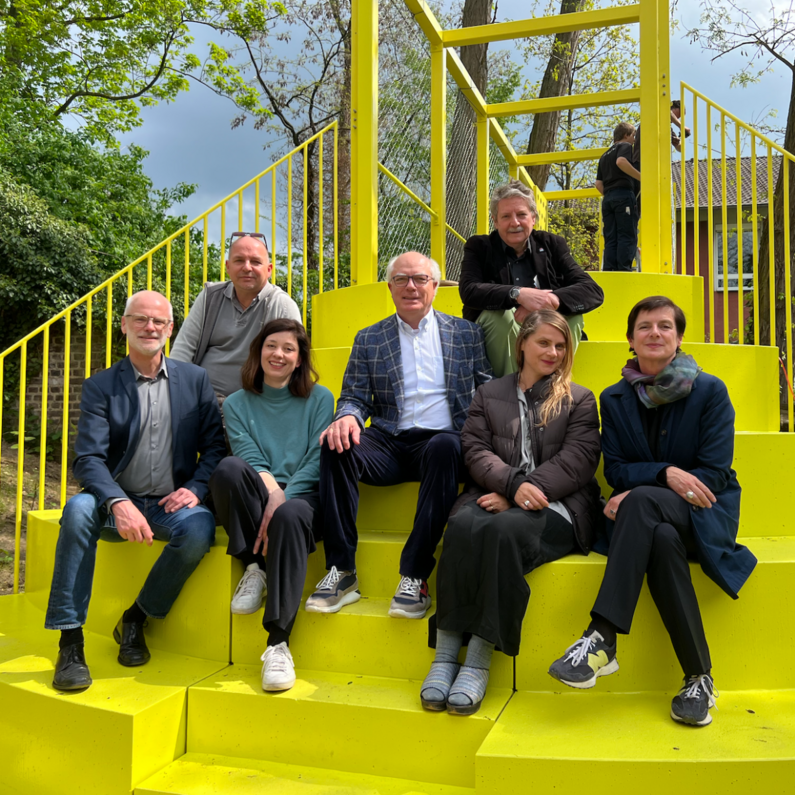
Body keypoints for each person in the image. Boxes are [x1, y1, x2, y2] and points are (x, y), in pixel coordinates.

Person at [548, 296, 757, 727]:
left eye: (665, 326)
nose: (655, 334)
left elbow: (714, 475)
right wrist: (665, 474)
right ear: (630, 339)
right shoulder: (615, 398)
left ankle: (602, 634)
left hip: (703, 515)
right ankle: (699, 677)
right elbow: (618, 469)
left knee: (640, 501)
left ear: (679, 338)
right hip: (651, 524)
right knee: (659, 537)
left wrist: (649, 485)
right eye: (645, 327)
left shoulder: (710, 390)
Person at [419, 309, 602, 715]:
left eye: (560, 345)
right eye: (544, 343)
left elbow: (579, 460)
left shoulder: (580, 399)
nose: (553, 352)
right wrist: (512, 486)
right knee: (463, 525)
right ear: (521, 344)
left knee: (503, 533)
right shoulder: (489, 393)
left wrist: (524, 491)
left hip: (561, 506)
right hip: (496, 494)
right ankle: (446, 655)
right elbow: (474, 449)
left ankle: (479, 661)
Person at [46, 290, 226, 692]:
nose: (150, 327)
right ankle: (70, 642)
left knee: (198, 530)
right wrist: (118, 502)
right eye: (141, 319)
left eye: (159, 322)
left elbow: (215, 446)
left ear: (170, 329)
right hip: (113, 500)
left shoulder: (195, 380)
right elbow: (88, 458)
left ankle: (135, 618)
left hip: (168, 501)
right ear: (125, 325)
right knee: (76, 511)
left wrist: (196, 488)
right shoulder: (101, 386)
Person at [305, 251, 492, 620]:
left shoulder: (466, 334)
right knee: (334, 444)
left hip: (442, 443)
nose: (411, 286)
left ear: (435, 287)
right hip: (389, 441)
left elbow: (486, 389)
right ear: (389, 287)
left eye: (420, 279)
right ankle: (342, 571)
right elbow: (355, 396)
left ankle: (415, 576)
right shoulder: (370, 338)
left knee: (444, 445)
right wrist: (346, 418)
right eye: (402, 279)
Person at [208, 319, 333, 691]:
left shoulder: (321, 398)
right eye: (271, 346)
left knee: (291, 514)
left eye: (288, 349)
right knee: (228, 469)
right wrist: (273, 494)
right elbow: (248, 457)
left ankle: (278, 642)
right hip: (261, 490)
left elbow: (315, 458)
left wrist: (285, 496)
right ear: (258, 352)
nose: (278, 354)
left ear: (299, 360)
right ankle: (254, 567)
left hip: (306, 496)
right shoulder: (236, 404)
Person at [459, 179, 604, 378]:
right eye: (506, 216)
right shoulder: (479, 247)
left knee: (574, 317)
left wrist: (548, 301)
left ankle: (551, 388)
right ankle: (508, 392)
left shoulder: (552, 244)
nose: (515, 223)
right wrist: (517, 295)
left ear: (533, 218)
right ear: (495, 221)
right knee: (501, 318)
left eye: (521, 215)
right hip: (501, 333)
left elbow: (592, 290)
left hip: (543, 327)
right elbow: (469, 290)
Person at [170, 231, 301, 402]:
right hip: (200, 401)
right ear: (228, 267)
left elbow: (291, 364)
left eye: (255, 262)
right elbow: (182, 352)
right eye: (239, 260)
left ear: (269, 269)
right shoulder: (209, 297)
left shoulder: (282, 306)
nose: (247, 267)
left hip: (253, 406)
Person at [596, 122, 641, 272]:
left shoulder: (603, 156)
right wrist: (642, 178)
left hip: (607, 198)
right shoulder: (625, 147)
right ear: (626, 135)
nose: (634, 140)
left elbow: (598, 184)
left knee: (611, 236)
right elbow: (621, 162)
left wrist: (611, 194)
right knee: (626, 233)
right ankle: (623, 269)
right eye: (633, 136)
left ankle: (610, 269)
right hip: (623, 195)